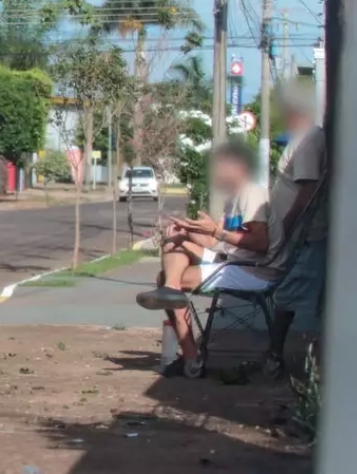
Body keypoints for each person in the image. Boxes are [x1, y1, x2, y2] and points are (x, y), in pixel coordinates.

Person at [134, 140, 279, 377]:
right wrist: (188, 230)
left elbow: (261, 243)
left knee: (166, 280)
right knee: (175, 241)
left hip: (253, 270)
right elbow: (218, 243)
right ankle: (171, 290)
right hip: (231, 259)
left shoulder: (252, 193)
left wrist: (216, 231)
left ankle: (191, 356)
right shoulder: (235, 197)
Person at [265, 87, 327, 374]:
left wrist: (286, 228)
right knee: (292, 295)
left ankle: (275, 356)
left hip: (304, 235)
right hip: (298, 235)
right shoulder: (303, 139)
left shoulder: (308, 140)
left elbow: (307, 191)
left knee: (288, 295)